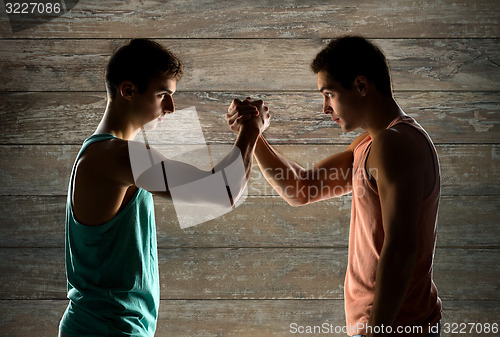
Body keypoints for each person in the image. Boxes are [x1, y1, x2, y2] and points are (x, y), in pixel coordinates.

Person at [227, 36, 441, 337]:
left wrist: (375, 332)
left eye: (329, 94)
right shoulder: (371, 144)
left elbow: (401, 248)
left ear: (361, 86)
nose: (325, 108)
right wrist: (253, 132)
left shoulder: (394, 144)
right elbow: (301, 189)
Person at [58, 38, 269, 337]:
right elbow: (223, 192)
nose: (171, 107)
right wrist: (251, 128)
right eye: (163, 95)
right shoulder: (116, 156)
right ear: (128, 90)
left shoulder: (108, 154)